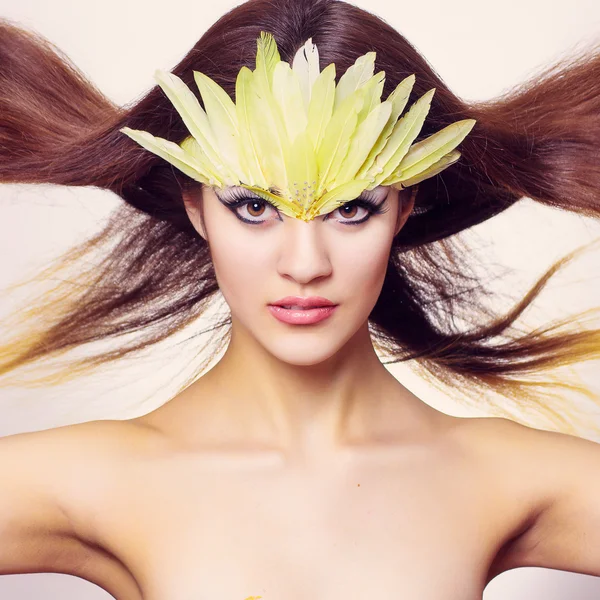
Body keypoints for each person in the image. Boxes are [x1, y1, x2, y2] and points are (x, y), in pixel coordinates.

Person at [1, 0, 600, 598]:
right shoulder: (94, 482)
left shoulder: (505, 479)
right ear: (195, 204)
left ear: (403, 207)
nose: (306, 264)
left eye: (351, 208)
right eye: (255, 207)